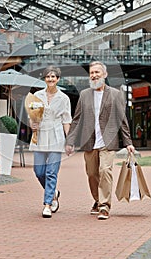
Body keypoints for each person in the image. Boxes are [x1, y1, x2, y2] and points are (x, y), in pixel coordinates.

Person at [65, 61, 135, 220]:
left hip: (108, 142)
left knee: (105, 171)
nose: (94, 75)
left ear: (105, 74)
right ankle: (97, 200)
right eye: (92, 73)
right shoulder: (84, 95)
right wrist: (70, 141)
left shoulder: (115, 94)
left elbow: (122, 120)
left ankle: (104, 206)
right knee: (91, 174)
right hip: (89, 141)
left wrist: (128, 142)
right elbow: (76, 120)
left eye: (97, 72)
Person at [29, 66, 72, 218]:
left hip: (56, 136)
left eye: (53, 77)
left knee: (51, 172)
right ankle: (53, 192)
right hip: (40, 136)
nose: (51, 79)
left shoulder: (64, 98)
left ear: (58, 79)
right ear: (44, 79)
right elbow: (32, 117)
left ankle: (47, 204)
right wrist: (32, 124)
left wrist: (69, 141)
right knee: (39, 171)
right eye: (48, 77)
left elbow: (66, 120)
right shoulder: (37, 96)